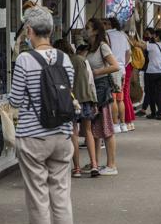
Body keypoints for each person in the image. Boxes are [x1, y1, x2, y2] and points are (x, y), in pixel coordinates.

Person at [9, 6, 76, 224]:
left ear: (29, 31)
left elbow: (14, 101)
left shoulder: (25, 60)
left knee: (38, 200)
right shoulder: (65, 59)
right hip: (62, 135)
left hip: (33, 137)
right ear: (51, 30)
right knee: (61, 198)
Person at [53, 39, 99, 178]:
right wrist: (94, 101)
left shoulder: (60, 64)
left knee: (73, 132)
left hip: (71, 100)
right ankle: (94, 165)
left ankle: (77, 168)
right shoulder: (81, 59)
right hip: (86, 98)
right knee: (88, 131)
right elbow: (90, 81)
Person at [85, 18, 120, 176]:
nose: (85, 30)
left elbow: (115, 66)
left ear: (95, 31)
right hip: (92, 89)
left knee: (106, 128)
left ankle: (111, 164)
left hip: (102, 89)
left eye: (88, 28)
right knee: (95, 128)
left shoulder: (102, 47)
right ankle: (95, 162)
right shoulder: (90, 48)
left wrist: (96, 72)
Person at [104, 17, 130, 133]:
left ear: (109, 25)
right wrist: (123, 64)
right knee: (120, 98)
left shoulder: (106, 35)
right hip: (122, 69)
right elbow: (128, 53)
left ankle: (115, 124)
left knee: (113, 98)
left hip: (112, 68)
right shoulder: (123, 35)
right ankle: (123, 124)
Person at [144, 29, 161, 120]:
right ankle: (160, 114)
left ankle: (153, 113)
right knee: (159, 93)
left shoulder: (151, 46)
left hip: (151, 72)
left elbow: (139, 45)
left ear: (157, 37)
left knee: (151, 93)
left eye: (154, 35)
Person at [136, 27, 156, 117]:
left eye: (147, 34)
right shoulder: (153, 44)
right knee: (149, 90)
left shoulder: (150, 45)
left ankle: (144, 109)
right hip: (148, 69)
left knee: (148, 90)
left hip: (148, 69)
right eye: (145, 33)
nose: (145, 35)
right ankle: (150, 109)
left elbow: (140, 45)